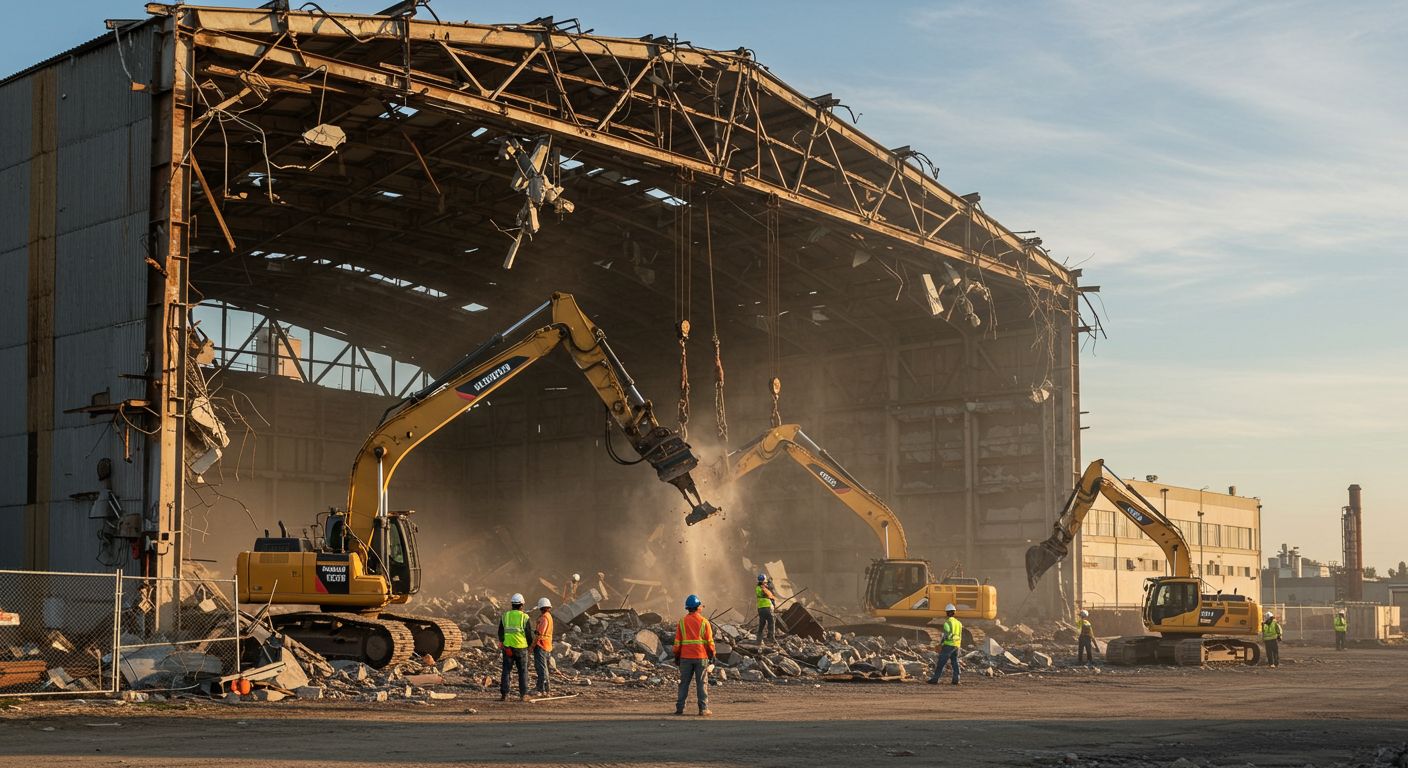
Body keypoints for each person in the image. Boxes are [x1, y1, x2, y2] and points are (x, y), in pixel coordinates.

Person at [673, 593, 716, 716]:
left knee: (684, 683)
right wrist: (712, 655)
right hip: (701, 657)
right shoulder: (704, 622)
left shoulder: (682, 622)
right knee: (702, 683)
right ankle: (703, 709)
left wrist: (676, 655)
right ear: (697, 607)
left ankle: (680, 708)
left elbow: (677, 642)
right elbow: (709, 642)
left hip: (685, 657)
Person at [499, 593, 535, 701]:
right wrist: (530, 645)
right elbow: (528, 634)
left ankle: (505, 695)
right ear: (522, 605)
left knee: (506, 670)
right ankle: (523, 695)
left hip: (508, 648)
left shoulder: (505, 616)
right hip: (521, 648)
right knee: (523, 671)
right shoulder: (525, 617)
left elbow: (500, 632)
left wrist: (503, 642)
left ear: (512, 604)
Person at [927, 603, 963, 686]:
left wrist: (941, 644)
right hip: (956, 645)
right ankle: (956, 680)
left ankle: (935, 679)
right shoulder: (959, 623)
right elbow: (960, 635)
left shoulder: (947, 623)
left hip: (948, 645)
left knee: (941, 663)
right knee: (955, 662)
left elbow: (946, 635)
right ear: (954, 612)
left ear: (947, 613)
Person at [532, 597, 554, 695]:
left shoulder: (544, 618)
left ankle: (541, 689)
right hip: (547, 645)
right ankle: (545, 688)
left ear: (540, 608)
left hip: (541, 645)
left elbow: (539, 634)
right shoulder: (549, 616)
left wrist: (532, 646)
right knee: (544, 668)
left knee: (541, 668)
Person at [755, 574, 777, 645]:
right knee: (771, 623)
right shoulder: (764, 588)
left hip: (760, 608)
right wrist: (769, 585)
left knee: (762, 623)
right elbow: (769, 594)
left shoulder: (757, 588)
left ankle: (758, 640)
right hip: (767, 607)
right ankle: (771, 639)